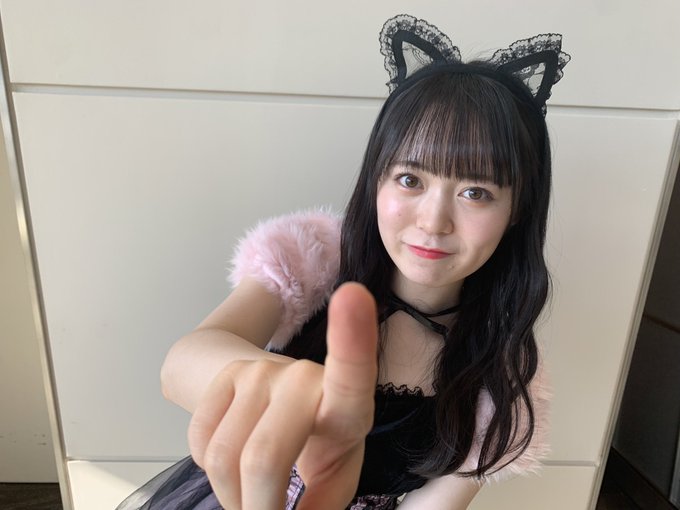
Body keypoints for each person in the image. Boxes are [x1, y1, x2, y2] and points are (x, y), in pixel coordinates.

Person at [117, 14, 570, 510]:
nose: (434, 221)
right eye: (410, 180)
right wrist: (290, 388)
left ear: (516, 210)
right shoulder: (314, 259)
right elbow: (180, 366)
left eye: (476, 192)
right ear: (376, 180)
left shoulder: (504, 378)